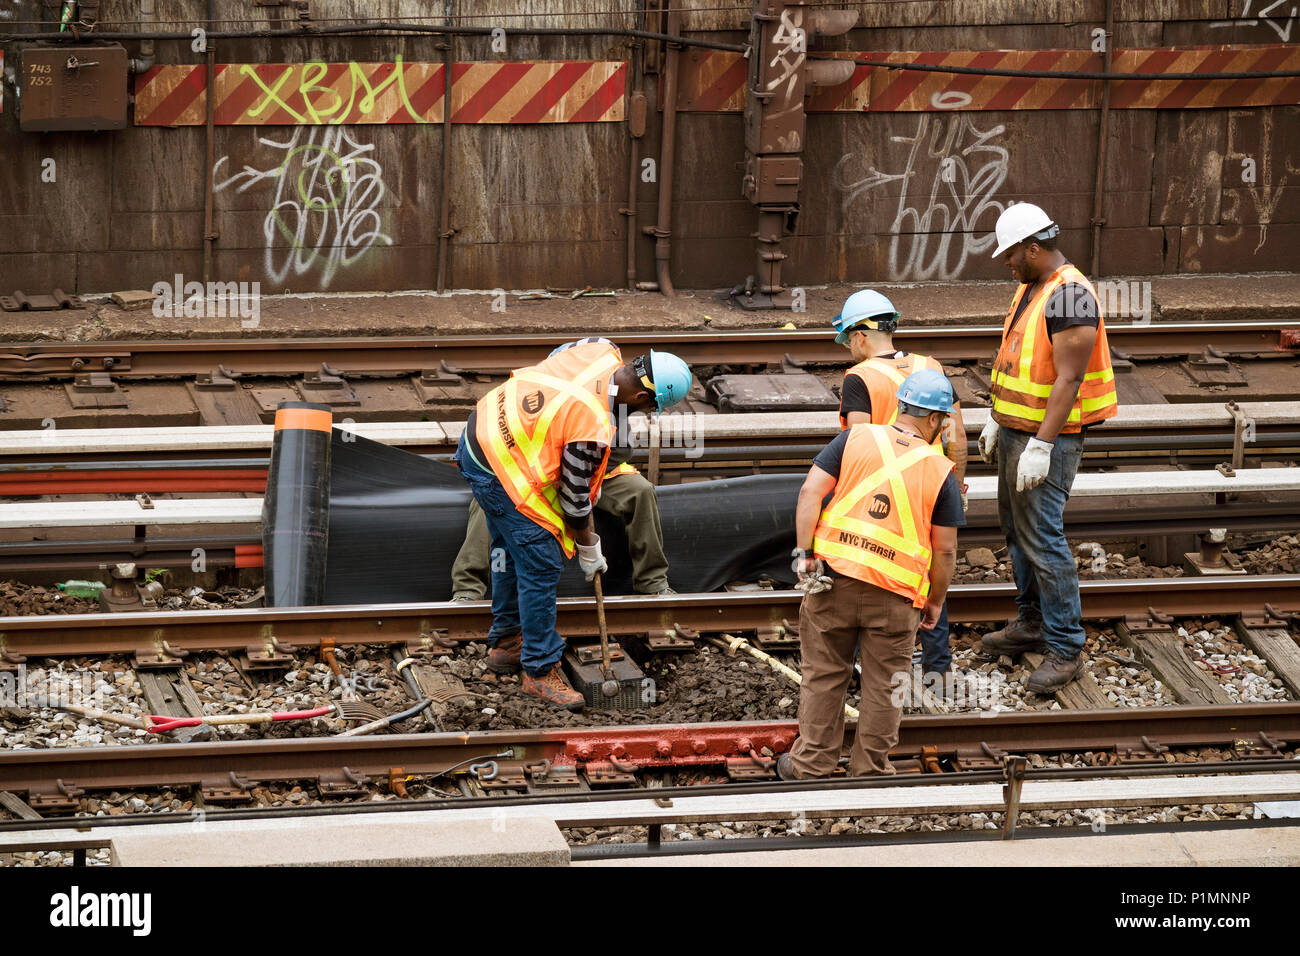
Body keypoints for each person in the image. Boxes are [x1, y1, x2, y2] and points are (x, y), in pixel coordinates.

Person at [453, 337, 692, 710]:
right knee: (541, 562)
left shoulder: (599, 348)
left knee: (507, 548)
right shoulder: (593, 423)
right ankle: (539, 671)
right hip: (504, 467)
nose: (643, 416)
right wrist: (588, 548)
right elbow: (574, 500)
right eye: (648, 410)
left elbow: (554, 362)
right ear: (644, 400)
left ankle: (505, 643)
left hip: (481, 430)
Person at [777, 369, 963, 779]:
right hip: (895, 598)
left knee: (824, 675)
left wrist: (805, 555)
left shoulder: (854, 439)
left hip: (832, 580)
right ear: (935, 419)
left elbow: (810, 492)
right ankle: (870, 772)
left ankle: (811, 766)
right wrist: (934, 603)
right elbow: (945, 549)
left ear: (901, 406)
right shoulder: (940, 470)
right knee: (884, 685)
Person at [976, 203, 1118, 694]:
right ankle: (1031, 622)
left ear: (1033, 248)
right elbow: (1020, 362)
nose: (1006, 261)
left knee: (1044, 537)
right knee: (1018, 532)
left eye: (1011, 253)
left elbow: (1070, 378)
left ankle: (1064, 645)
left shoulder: (1071, 296)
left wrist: (1041, 444)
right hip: (1019, 430)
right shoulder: (1031, 287)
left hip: (1047, 439)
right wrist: (997, 418)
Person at [831, 289, 967, 685]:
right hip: (931, 485)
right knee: (929, 570)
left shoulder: (859, 377)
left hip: (878, 493)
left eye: (847, 342)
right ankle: (937, 668)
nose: (848, 351)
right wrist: (953, 488)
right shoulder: (931, 364)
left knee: (870, 569)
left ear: (859, 336)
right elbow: (955, 433)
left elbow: (856, 441)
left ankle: (862, 665)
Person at [450, 462, 674, 600]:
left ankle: (652, 583)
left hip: (589, 472)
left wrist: (579, 480)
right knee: (488, 499)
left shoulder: (606, 396)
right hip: (537, 472)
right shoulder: (530, 396)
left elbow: (615, 449)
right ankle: (468, 589)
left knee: (641, 490)